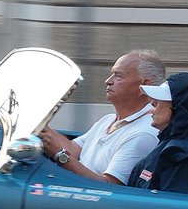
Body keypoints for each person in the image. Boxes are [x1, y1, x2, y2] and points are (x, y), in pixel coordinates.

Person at [38, 49, 165, 185]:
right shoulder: (107, 120)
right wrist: (37, 124)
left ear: (144, 85)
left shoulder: (144, 132)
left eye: (118, 76)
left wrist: (60, 155)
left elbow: (109, 186)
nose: (108, 81)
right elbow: (72, 149)